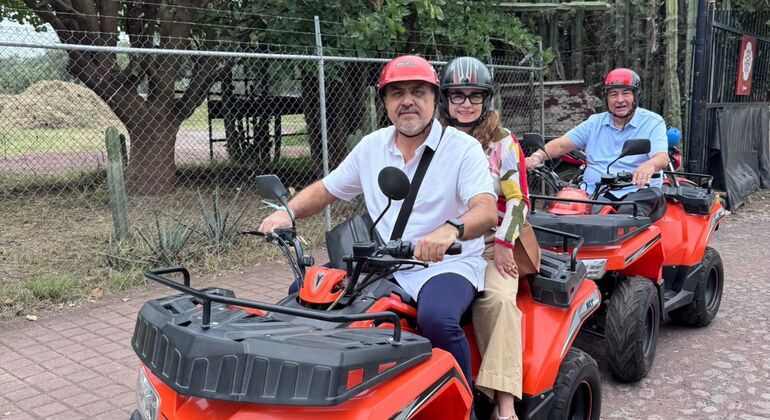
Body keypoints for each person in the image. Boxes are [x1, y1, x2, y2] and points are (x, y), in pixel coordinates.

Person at [258, 55, 498, 385]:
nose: (408, 101)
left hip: (446, 264)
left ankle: (464, 399)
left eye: (418, 92)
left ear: (435, 99)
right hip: (385, 260)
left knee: (438, 319)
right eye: (397, 93)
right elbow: (327, 189)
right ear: (384, 101)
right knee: (305, 294)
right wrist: (287, 213)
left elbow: (485, 209)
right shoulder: (372, 147)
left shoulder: (463, 148)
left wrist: (450, 230)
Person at [438, 57, 529, 420]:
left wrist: (505, 244)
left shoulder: (502, 143)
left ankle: (504, 406)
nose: (466, 104)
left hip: (491, 241)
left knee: (498, 300)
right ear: (444, 99)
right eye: (457, 95)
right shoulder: (433, 139)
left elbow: (519, 202)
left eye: (474, 95)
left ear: (486, 99)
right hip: (439, 240)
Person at [524, 68, 669, 215]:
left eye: (626, 93)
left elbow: (662, 158)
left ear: (636, 96)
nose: (620, 100)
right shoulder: (594, 123)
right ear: (606, 98)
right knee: (560, 210)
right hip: (595, 191)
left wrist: (649, 165)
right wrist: (537, 156)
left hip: (637, 191)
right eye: (613, 94)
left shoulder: (653, 122)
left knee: (628, 216)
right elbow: (561, 144)